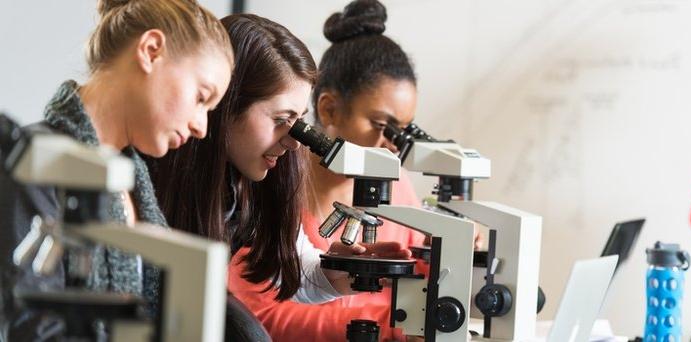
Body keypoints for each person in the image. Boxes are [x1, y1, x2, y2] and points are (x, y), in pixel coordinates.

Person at [228, 1, 482, 341]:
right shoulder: (267, 180)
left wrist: (453, 252)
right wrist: (395, 327)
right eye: (382, 125)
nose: (392, 143)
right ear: (329, 110)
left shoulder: (396, 187)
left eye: (403, 130)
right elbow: (260, 317)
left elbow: (424, 288)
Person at [148, 12, 409, 324]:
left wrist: (333, 274)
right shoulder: (156, 167)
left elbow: (293, 266)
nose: (293, 141)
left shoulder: (253, 180)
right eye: (280, 120)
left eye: (297, 121)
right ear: (226, 105)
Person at [0, 0, 233, 339]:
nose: (202, 127)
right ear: (151, 50)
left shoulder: (135, 181)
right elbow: (28, 328)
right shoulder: (33, 167)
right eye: (201, 97)